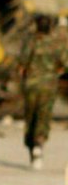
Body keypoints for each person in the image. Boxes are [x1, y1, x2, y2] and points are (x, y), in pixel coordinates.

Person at [17, 14, 68, 170]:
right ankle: (39, 144)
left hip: (31, 85)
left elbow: (22, 64)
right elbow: (65, 64)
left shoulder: (31, 41)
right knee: (43, 116)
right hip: (48, 85)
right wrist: (55, 73)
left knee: (30, 116)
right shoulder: (56, 43)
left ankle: (32, 147)